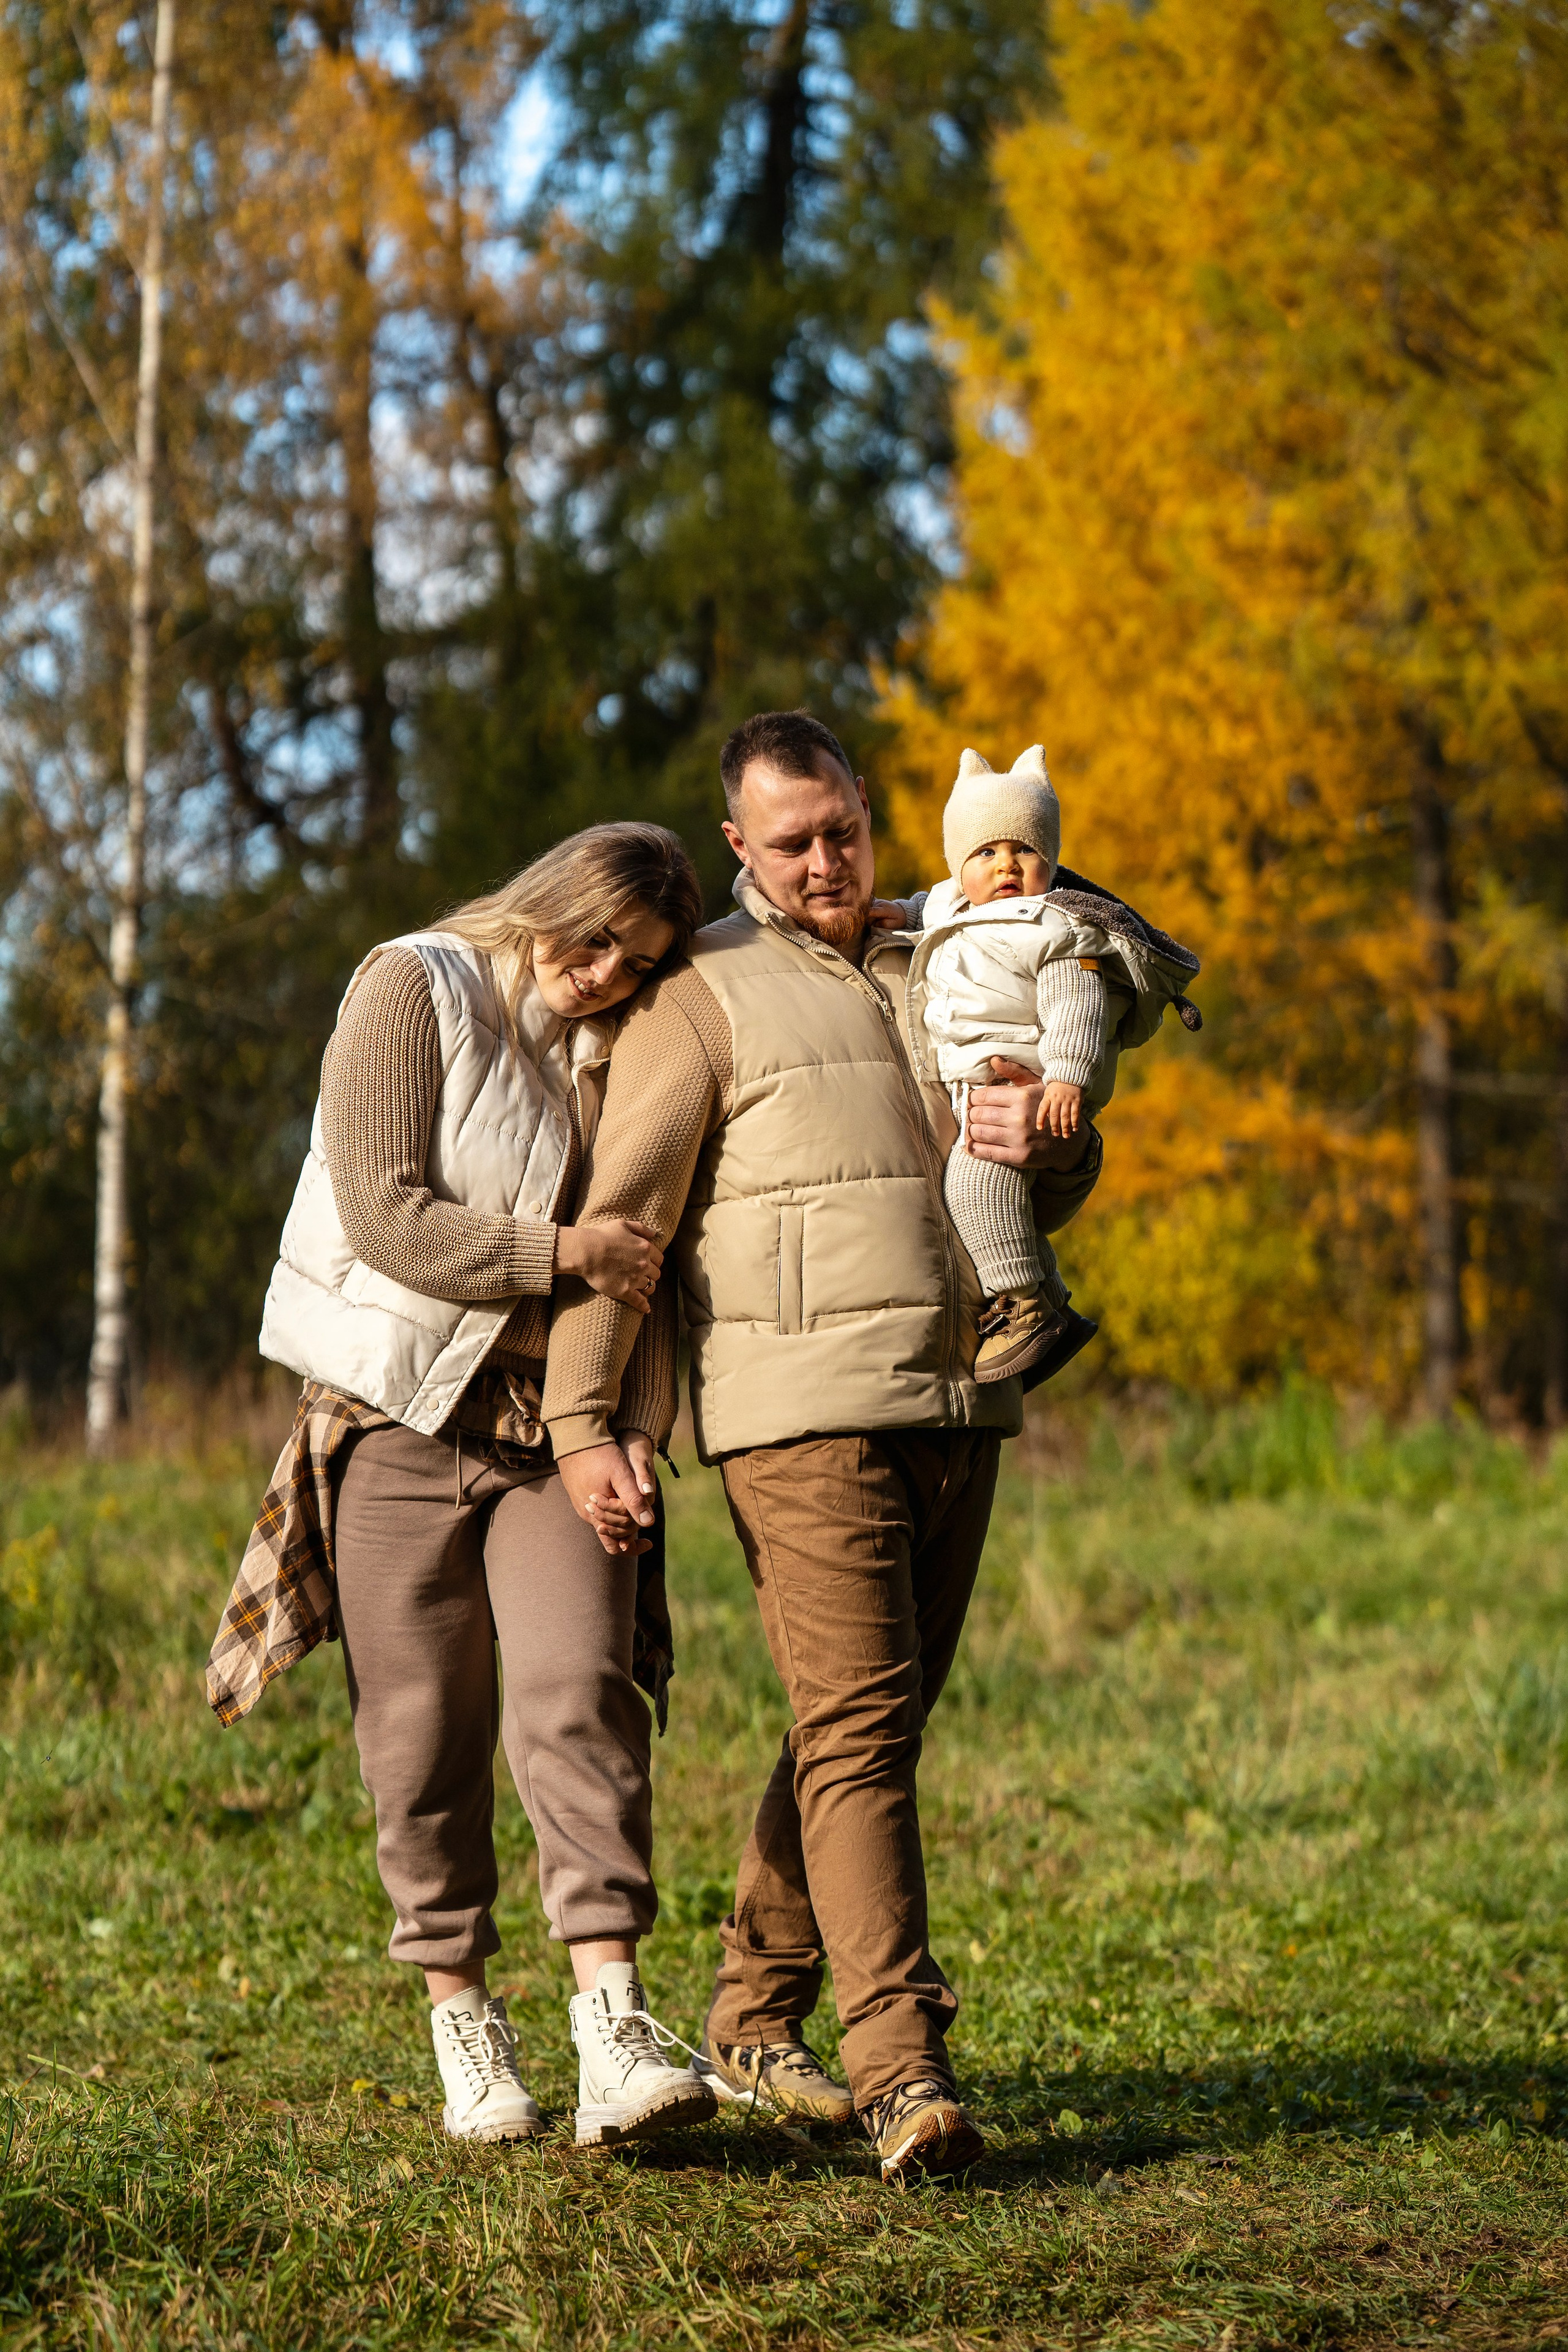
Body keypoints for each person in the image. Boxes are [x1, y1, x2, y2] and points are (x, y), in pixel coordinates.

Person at [540, 710, 1102, 2183]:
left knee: (870, 1721)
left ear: (870, 809)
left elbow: (1043, 1170)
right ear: (737, 846)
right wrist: (583, 1417)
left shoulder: (947, 954)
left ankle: (745, 2011)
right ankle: (901, 2067)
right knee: (861, 1728)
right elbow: (626, 1217)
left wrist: (1060, 1144)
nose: (821, 861)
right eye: (786, 842)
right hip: (795, 1406)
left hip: (958, 1386)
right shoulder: (702, 990)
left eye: (839, 829)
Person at [206, 823, 720, 2152]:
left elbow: (646, 1247)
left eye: (638, 959)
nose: (604, 973)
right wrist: (564, 1253)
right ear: (547, 892)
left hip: (547, 1425)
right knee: (420, 1728)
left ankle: (611, 2022)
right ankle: (462, 2019)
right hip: (388, 1417)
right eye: (596, 935)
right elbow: (386, 1213)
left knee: (576, 1693)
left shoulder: (618, 1043)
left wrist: (614, 1421)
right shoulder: (409, 984)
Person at [900, 742, 1202, 1385]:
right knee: (990, 1210)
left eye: (1025, 851)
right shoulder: (951, 910)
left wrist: (1067, 1078)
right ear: (960, 868)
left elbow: (1079, 1008)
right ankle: (1047, 1295)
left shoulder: (1055, 929)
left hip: (1028, 1095)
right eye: (985, 853)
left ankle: (1028, 1308)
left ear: (1051, 862)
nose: (1006, 866)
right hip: (975, 1095)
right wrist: (891, 916)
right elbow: (920, 907)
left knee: (976, 1188)